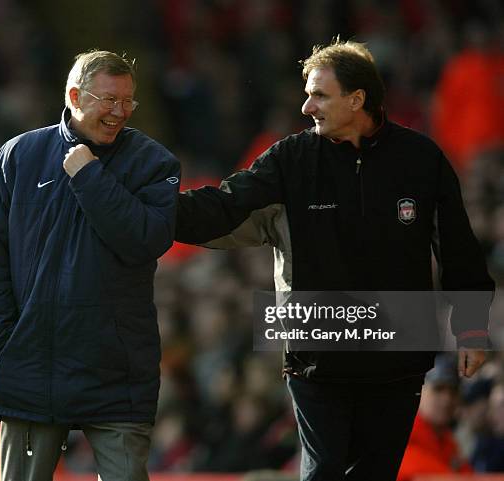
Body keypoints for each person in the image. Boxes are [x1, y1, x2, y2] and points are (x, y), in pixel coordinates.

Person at [175, 38, 494, 481]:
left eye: (319, 95)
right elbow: (226, 204)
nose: (307, 107)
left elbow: (458, 246)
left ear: (357, 98)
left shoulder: (421, 159)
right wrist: (153, 210)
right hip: (318, 352)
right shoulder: (291, 158)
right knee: (323, 471)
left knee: (374, 474)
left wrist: (473, 329)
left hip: (397, 355)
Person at [0, 49, 180, 481]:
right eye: (108, 100)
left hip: (117, 369)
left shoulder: (153, 162)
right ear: (75, 95)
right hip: (31, 365)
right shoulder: (19, 155)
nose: (120, 112)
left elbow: (145, 241)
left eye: (128, 102)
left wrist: (88, 176)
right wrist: (5, 341)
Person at [397, 354, 473, 481]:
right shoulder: (403, 436)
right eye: (438, 389)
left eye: (453, 391)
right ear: (419, 391)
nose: (447, 400)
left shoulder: (448, 442)